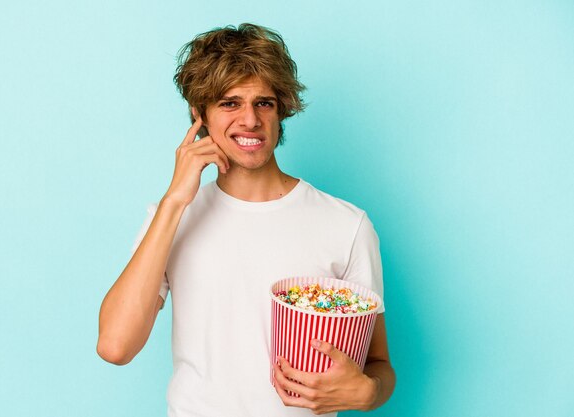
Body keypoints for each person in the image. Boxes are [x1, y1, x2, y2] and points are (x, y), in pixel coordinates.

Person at [97, 23, 396, 416]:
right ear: (198, 113)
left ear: (281, 109)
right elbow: (115, 346)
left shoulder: (347, 225)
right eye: (229, 103)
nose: (250, 120)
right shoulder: (170, 219)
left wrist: (367, 394)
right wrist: (174, 202)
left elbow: (378, 366)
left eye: (264, 103)